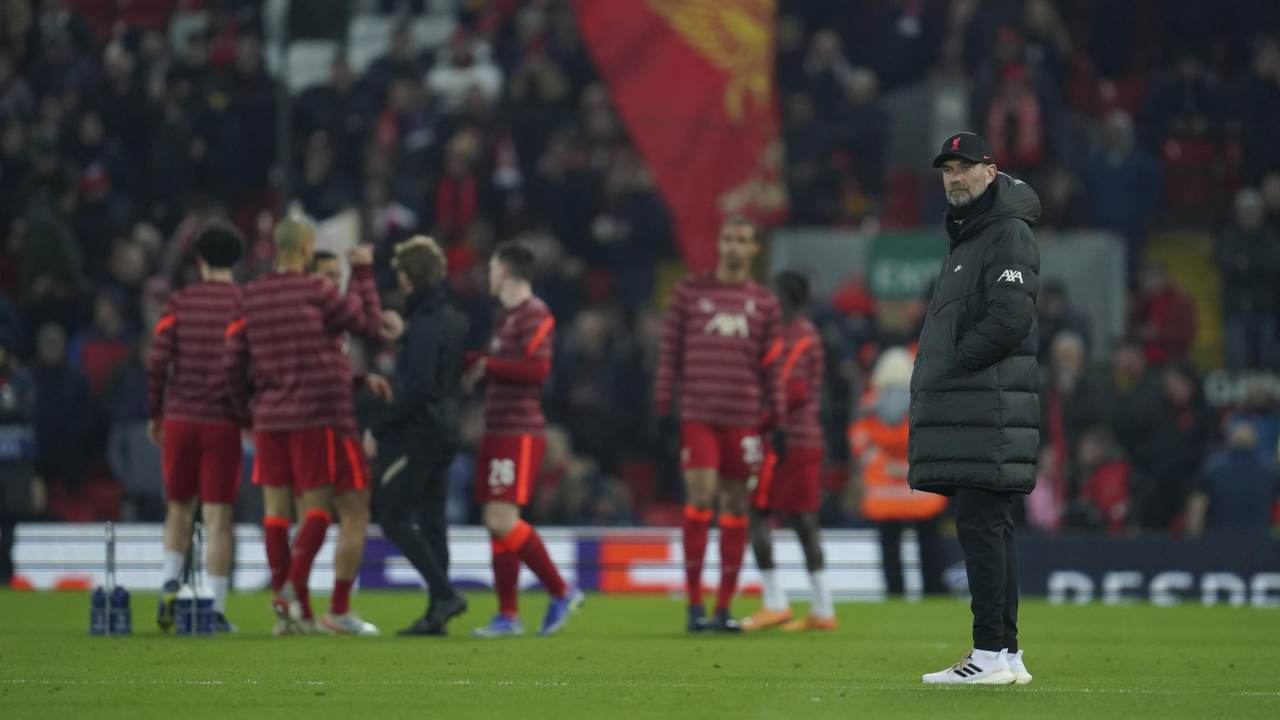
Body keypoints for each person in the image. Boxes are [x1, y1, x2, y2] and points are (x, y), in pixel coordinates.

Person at [912, 133, 1040, 685]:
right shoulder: (975, 235)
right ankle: (1006, 655)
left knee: (982, 528)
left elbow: (1010, 320)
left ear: (992, 171)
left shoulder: (1006, 232)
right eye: (947, 170)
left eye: (965, 167)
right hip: (982, 409)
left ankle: (988, 654)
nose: (955, 177)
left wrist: (955, 363)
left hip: (986, 408)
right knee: (992, 527)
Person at [222, 217, 383, 636]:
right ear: (307, 248)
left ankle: (292, 613)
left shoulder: (251, 295)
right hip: (315, 413)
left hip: (270, 416)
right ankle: (291, 590)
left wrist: (244, 412)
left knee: (275, 513)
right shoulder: (316, 289)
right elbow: (367, 324)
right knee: (318, 509)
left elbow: (232, 360)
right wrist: (363, 271)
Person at [655, 216, 786, 633]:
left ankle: (722, 608)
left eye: (741, 241)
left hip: (743, 417)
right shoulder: (689, 293)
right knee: (701, 496)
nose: (733, 246)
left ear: (752, 250)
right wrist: (662, 403)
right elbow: (669, 353)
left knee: (735, 506)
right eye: (727, 238)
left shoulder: (764, 303)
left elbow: (772, 365)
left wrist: (776, 412)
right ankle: (694, 603)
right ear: (718, 244)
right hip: (699, 414)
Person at [464, 242, 584, 638]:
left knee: (501, 519)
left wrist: (487, 365)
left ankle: (561, 590)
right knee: (497, 526)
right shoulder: (508, 318)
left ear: (504, 271)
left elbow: (536, 371)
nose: (487, 276)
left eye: (491, 268)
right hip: (498, 427)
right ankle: (508, 616)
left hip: (519, 429)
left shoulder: (536, 314)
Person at [372, 236, 470, 636]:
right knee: (432, 522)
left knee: (391, 515)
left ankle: (444, 594)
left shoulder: (426, 327)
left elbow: (418, 389)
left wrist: (378, 427)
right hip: (447, 430)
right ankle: (436, 614)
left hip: (421, 434)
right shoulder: (452, 320)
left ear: (409, 277)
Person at [739, 271, 835, 632]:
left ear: (790, 299)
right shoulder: (796, 335)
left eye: (774, 295)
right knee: (801, 520)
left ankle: (776, 603)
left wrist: (754, 419)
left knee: (760, 512)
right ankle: (821, 607)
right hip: (800, 439)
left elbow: (791, 390)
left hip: (785, 440)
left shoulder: (799, 337)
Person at [309, 246, 396, 636]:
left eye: (336, 276)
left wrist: (358, 381)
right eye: (325, 275)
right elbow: (371, 323)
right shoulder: (324, 315)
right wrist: (363, 271)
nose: (333, 283)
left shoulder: (301, 314)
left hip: (300, 423)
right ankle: (336, 609)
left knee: (310, 515)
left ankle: (291, 605)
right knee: (355, 513)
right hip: (329, 424)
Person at [850, 347, 948, 600]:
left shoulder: (869, 404)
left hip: (883, 490)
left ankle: (895, 593)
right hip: (921, 490)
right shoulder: (923, 401)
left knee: (890, 547)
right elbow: (933, 439)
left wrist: (883, 462)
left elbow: (859, 441)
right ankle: (934, 591)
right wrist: (910, 465)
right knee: (929, 545)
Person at [0, 334, 43, 588]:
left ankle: (8, 571)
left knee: (10, 521)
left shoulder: (22, 380)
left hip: (17, 465)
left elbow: (29, 416)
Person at [1185, 423, 1279, 537]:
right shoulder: (1271, 470)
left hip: (1219, 541)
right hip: (1258, 541)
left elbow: (1197, 506)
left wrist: (1194, 538)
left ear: (1230, 441)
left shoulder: (1211, 468)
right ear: (1255, 442)